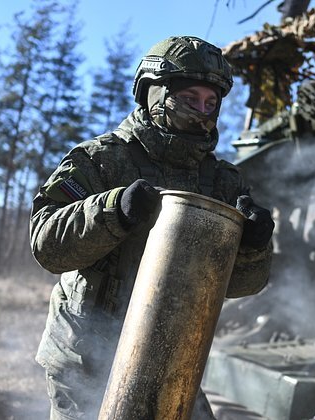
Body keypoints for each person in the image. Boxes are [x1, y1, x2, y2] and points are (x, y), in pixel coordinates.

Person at [30, 35, 274, 420]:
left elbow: (242, 285)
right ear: (154, 94)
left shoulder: (224, 181)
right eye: (190, 99)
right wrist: (114, 210)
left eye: (211, 103)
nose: (202, 112)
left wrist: (254, 245)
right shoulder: (101, 160)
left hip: (171, 359)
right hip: (88, 360)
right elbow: (47, 245)